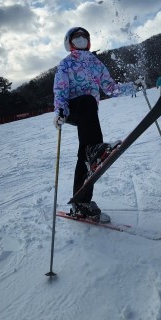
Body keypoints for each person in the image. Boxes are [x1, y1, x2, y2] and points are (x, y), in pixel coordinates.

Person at [53, 27, 138, 223]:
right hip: (72, 108)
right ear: (69, 42)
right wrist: (60, 111)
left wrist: (132, 86)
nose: (81, 39)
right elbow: (60, 89)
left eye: (84, 37)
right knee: (87, 101)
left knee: (86, 153)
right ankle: (94, 151)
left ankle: (81, 202)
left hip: (89, 111)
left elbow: (110, 87)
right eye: (77, 37)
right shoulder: (66, 64)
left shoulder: (95, 62)